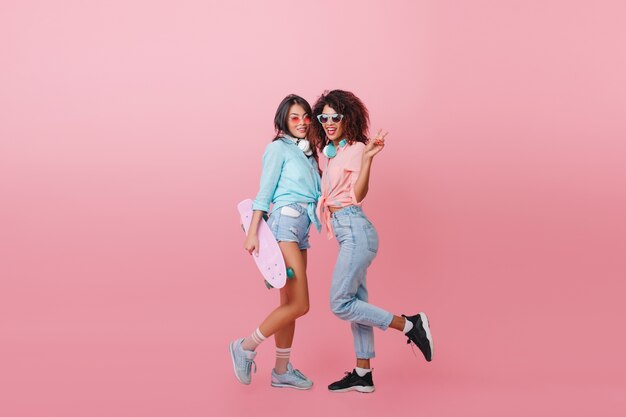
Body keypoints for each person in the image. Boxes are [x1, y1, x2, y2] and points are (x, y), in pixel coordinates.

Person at [311, 89, 434, 393]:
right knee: (357, 303)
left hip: (355, 229)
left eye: (334, 117)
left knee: (340, 303)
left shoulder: (354, 149)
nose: (328, 122)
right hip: (347, 232)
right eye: (323, 117)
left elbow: (358, 195)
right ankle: (363, 374)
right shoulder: (334, 151)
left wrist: (368, 160)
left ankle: (410, 324)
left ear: (347, 117)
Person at [229, 94, 321, 390]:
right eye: (295, 117)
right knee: (301, 304)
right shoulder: (277, 149)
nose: (302, 122)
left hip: (301, 229)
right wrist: (253, 232)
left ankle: (281, 370)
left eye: (306, 116)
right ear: (283, 120)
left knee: (289, 303)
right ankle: (245, 346)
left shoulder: (308, 153)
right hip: (284, 225)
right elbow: (264, 192)